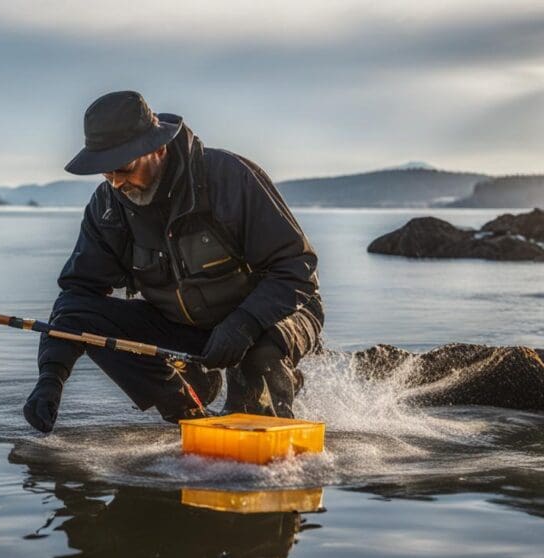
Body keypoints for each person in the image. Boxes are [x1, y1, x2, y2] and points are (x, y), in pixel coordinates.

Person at [24, 91, 323, 432]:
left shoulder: (229, 178)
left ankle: (270, 388)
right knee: (82, 314)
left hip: (272, 317)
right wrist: (50, 378)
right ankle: (188, 410)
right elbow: (77, 297)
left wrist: (243, 324)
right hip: (186, 328)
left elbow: (297, 267)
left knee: (253, 394)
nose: (118, 183)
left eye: (124, 168)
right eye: (107, 174)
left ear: (158, 148)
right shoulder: (108, 207)